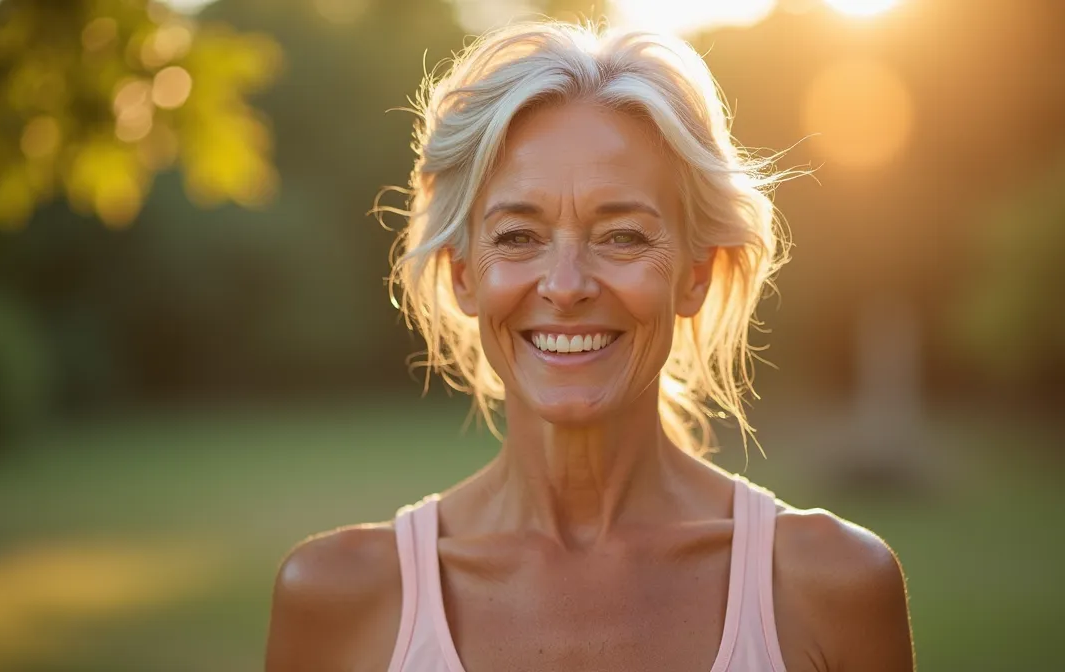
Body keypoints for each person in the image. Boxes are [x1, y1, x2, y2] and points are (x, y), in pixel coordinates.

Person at [265, 20, 915, 672]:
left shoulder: (830, 588)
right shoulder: (339, 600)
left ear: (696, 274)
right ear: (464, 275)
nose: (567, 285)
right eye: (519, 236)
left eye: (622, 236)